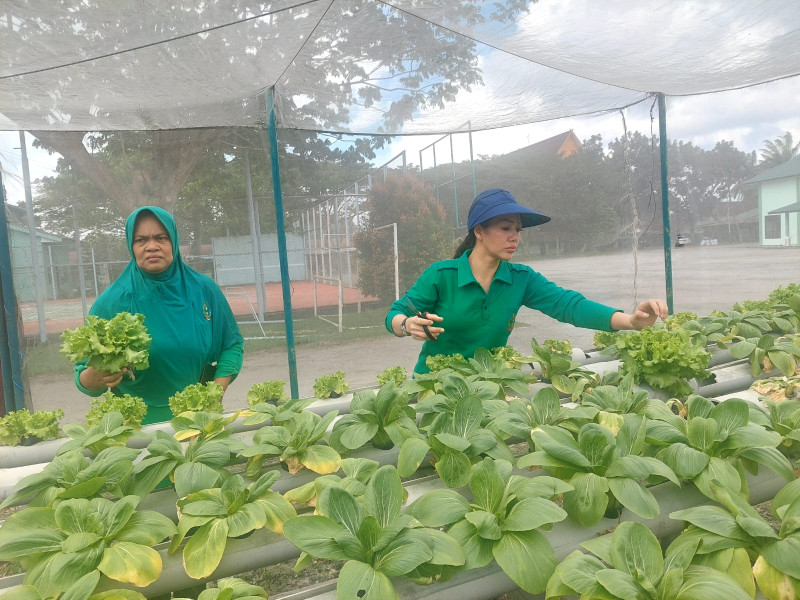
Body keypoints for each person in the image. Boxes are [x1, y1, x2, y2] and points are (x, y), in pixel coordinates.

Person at [386, 189, 668, 374]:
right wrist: (407, 325)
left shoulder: (521, 279)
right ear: (479, 231)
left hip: (489, 384)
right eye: (506, 228)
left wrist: (630, 321)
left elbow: (570, 305)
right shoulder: (442, 275)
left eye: (518, 230)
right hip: (434, 386)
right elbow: (394, 314)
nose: (515, 237)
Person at [73, 206, 244, 424]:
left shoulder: (203, 290)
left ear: (173, 241)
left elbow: (231, 344)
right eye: (141, 240)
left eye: (161, 238)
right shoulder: (111, 302)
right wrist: (93, 378)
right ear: (131, 246)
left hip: (197, 421)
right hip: (135, 430)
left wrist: (213, 396)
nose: (151, 246)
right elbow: (84, 376)